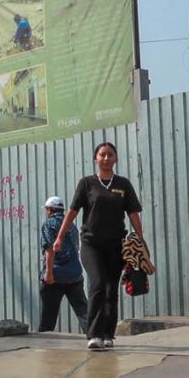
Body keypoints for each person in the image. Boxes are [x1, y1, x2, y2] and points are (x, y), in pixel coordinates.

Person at [51, 140, 147, 351]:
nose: (106, 158)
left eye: (110, 155)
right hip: (91, 244)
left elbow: (133, 213)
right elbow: (73, 211)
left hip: (116, 246)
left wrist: (140, 241)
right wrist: (59, 237)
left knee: (112, 289)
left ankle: (107, 334)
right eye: (102, 155)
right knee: (97, 284)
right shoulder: (86, 184)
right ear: (95, 159)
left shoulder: (123, 184)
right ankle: (94, 335)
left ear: (116, 159)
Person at [38, 196, 88, 333]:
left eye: (47, 209)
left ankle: (45, 344)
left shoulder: (49, 224)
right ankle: (94, 336)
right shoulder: (70, 224)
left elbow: (49, 249)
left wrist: (48, 273)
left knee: (48, 315)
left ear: (50, 210)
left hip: (55, 276)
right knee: (84, 312)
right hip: (75, 275)